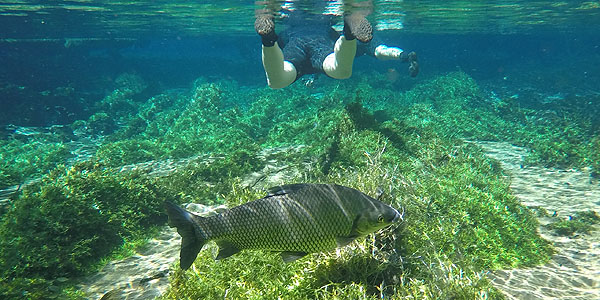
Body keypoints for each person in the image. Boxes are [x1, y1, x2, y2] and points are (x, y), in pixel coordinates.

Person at [254, 3, 419, 89]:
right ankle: (348, 33)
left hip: (296, 44)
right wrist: (402, 55)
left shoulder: (287, 34)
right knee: (341, 72)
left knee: (276, 81)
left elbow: (280, 55)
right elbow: (380, 51)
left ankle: (267, 39)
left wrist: (274, 40)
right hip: (322, 45)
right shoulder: (330, 31)